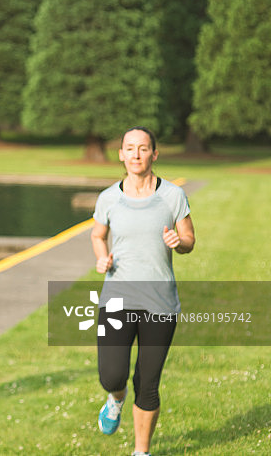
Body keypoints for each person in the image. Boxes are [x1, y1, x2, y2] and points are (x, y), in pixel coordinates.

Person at [90, 126, 195, 456]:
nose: (136, 154)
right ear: (121, 154)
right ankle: (114, 398)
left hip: (160, 303)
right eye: (130, 148)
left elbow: (189, 239)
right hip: (116, 300)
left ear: (154, 154)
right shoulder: (108, 197)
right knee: (112, 375)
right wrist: (101, 257)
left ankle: (141, 451)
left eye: (143, 148)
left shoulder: (173, 195)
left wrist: (180, 243)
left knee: (147, 384)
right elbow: (97, 235)